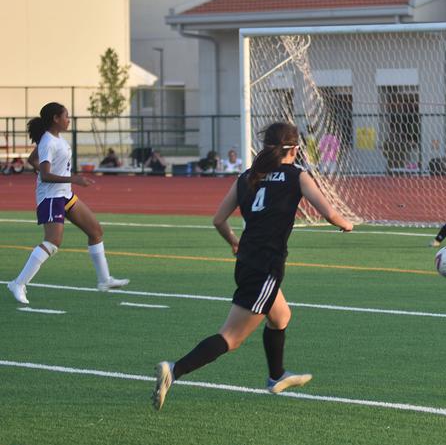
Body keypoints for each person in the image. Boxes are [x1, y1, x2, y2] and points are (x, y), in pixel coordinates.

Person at [152, 122, 353, 411]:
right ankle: (175, 369)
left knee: (281, 316)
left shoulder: (248, 176)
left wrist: (234, 242)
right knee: (231, 338)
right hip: (266, 266)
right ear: (295, 149)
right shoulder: (297, 176)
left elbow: (218, 220)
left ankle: (276, 376)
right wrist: (346, 224)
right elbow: (329, 212)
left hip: (247, 260)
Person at [6, 102, 129, 305]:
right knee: (53, 242)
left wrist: (66, 180)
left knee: (95, 231)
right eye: (66, 116)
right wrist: (74, 179)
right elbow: (45, 175)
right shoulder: (49, 142)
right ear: (55, 119)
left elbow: (32, 159)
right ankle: (18, 283)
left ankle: (104, 280)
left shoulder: (54, 139)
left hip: (65, 195)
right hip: (51, 197)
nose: (68, 119)